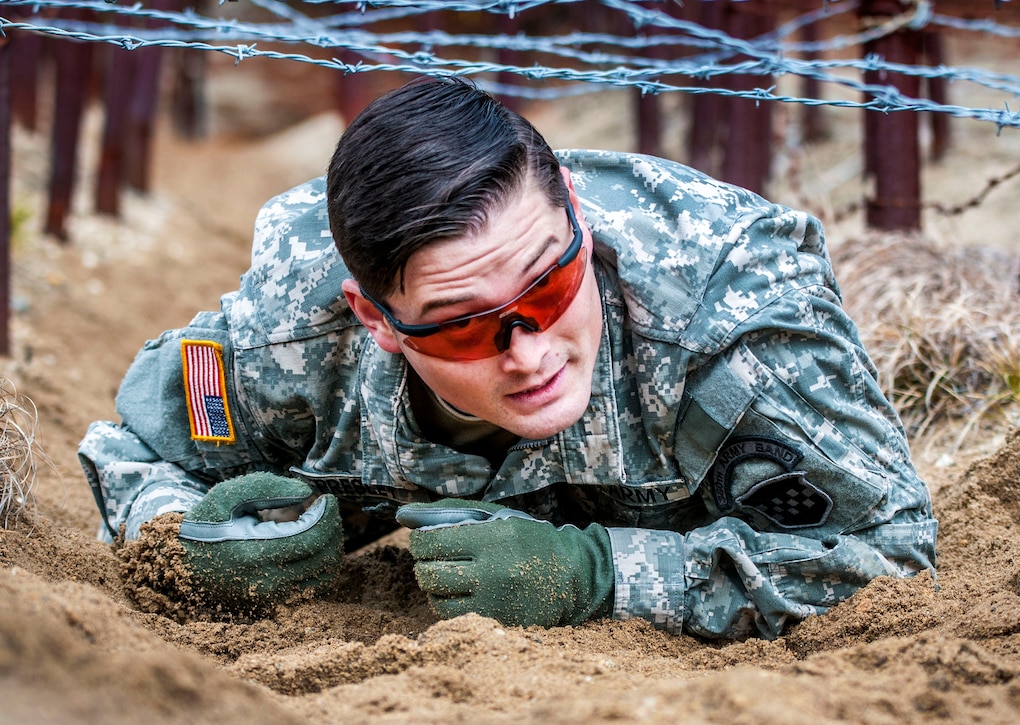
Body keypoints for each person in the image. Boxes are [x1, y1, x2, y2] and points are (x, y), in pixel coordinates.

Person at [79, 76, 937, 639]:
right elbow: (138, 447)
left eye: (549, 288)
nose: (529, 353)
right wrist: (186, 542)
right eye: (462, 327)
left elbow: (889, 547)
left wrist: (601, 576)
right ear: (374, 318)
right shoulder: (291, 332)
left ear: (575, 215)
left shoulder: (732, 307)